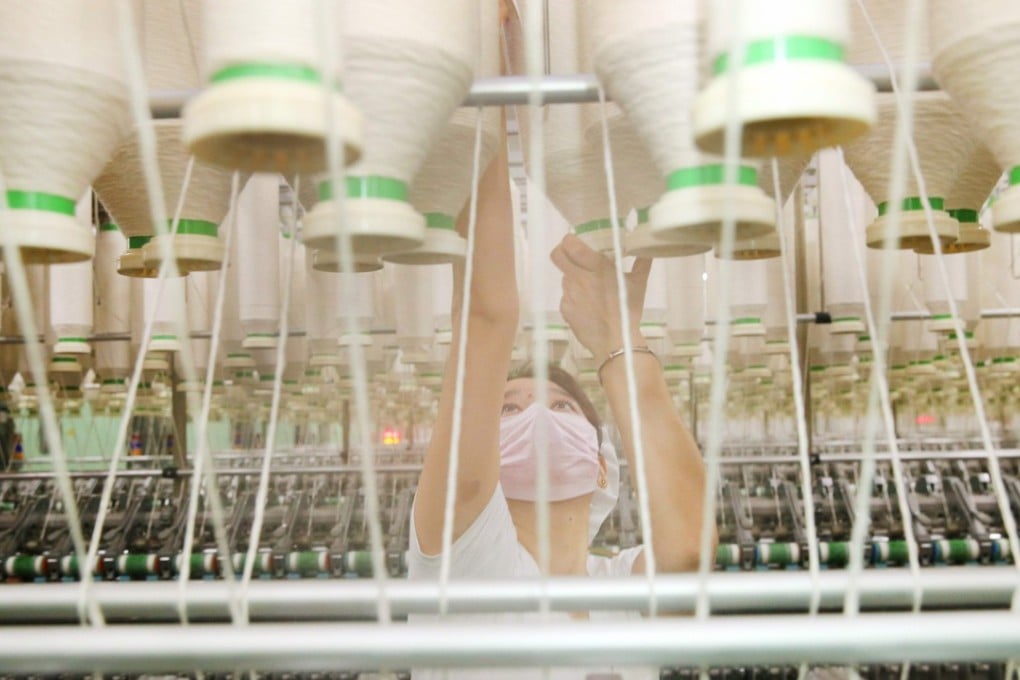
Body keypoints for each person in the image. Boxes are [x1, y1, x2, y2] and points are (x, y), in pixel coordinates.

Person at [406, 111, 715, 679]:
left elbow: (692, 552)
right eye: (508, 408)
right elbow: (485, 318)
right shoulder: (465, 558)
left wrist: (618, 340)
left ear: (601, 467)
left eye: (564, 406)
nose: (538, 416)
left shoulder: (622, 587)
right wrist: (484, 107)